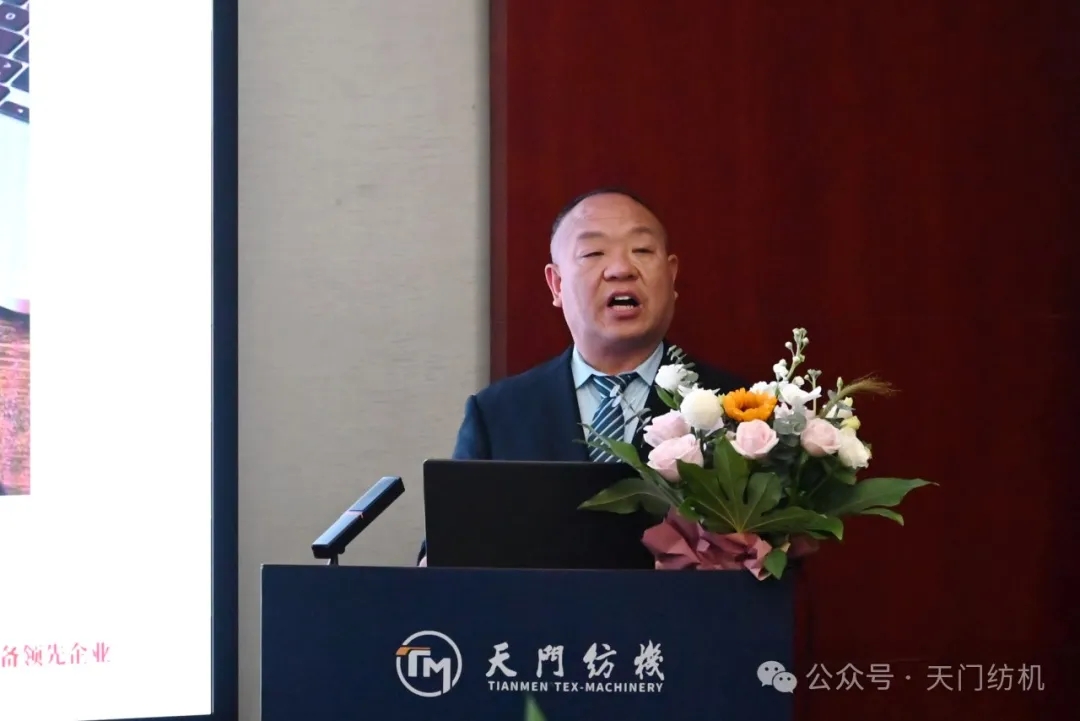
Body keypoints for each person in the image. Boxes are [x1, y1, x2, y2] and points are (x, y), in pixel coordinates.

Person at [417, 188, 745, 565]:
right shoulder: (497, 414)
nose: (621, 269)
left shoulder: (738, 411)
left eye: (642, 250)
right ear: (556, 284)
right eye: (593, 253)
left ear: (671, 276)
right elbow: (447, 554)